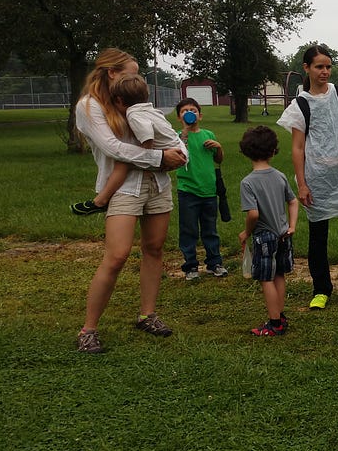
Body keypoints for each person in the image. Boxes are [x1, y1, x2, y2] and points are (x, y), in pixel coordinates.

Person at [74, 48, 187, 353]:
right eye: (130, 73)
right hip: (123, 188)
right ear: (111, 72)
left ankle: (147, 315)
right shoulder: (90, 107)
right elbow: (113, 149)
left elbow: (167, 134)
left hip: (157, 184)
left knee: (154, 249)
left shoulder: (135, 101)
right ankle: (88, 329)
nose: (136, 79)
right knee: (117, 255)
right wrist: (160, 157)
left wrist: (176, 155)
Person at [277, 44, 338, 309]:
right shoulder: (301, 105)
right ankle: (321, 290)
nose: (325, 72)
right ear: (306, 68)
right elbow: (297, 148)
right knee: (318, 239)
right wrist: (302, 184)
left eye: (328, 66)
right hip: (318, 181)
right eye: (319, 67)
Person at [71, 74, 186, 215]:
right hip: (179, 149)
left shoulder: (133, 114)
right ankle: (100, 201)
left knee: (123, 163)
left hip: (171, 151)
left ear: (119, 100)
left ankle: (100, 201)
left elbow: (147, 134)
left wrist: (148, 154)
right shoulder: (151, 110)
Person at [238, 126, 299, 337]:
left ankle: (274, 323)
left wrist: (246, 233)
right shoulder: (280, 176)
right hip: (283, 234)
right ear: (273, 151)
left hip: (264, 237)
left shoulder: (248, 183)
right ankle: (280, 315)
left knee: (266, 278)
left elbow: (253, 215)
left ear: (246, 151)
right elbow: (293, 201)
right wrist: (291, 226)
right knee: (279, 274)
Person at [175, 97, 227, 280]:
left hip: (209, 191)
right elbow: (178, 155)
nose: (190, 113)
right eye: (184, 111)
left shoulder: (208, 134)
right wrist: (185, 132)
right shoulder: (178, 137)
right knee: (188, 230)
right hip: (188, 190)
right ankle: (190, 266)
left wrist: (219, 147)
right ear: (179, 118)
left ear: (200, 115)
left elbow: (218, 160)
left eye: (193, 110)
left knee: (210, 229)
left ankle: (214, 263)